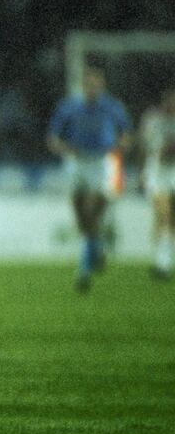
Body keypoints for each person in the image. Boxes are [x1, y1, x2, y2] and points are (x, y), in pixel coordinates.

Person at [48, 65, 131, 292]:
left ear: (102, 86)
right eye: (89, 85)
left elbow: (126, 135)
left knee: (90, 209)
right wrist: (64, 147)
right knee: (81, 217)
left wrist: (120, 146)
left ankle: (83, 272)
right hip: (76, 163)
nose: (93, 89)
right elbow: (53, 138)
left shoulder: (113, 107)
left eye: (97, 85)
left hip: (103, 162)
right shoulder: (69, 107)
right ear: (83, 86)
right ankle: (97, 249)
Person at [141, 87, 175, 280]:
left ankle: (165, 260)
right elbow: (153, 149)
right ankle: (162, 263)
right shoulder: (153, 120)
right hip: (157, 172)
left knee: (170, 219)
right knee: (163, 213)